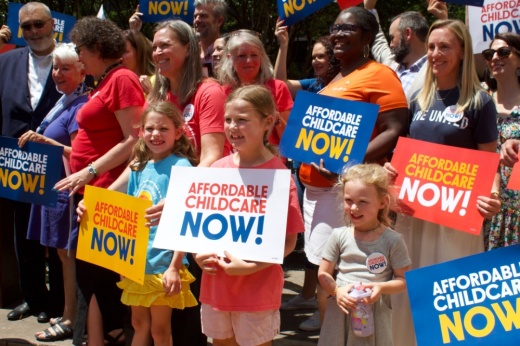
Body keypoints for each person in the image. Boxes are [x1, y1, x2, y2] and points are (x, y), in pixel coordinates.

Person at [386, 19, 502, 345]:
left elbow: (489, 162)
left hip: (457, 218)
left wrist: (492, 195)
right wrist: (392, 173)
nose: (436, 54)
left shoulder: (480, 103)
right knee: (410, 289)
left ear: (463, 51)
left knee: (450, 296)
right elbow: (405, 153)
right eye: (433, 46)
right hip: (414, 213)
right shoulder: (417, 99)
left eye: (445, 46)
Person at [297, 6, 409, 332]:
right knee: (325, 269)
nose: (338, 34)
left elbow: (395, 127)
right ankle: (334, 334)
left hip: (347, 195)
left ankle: (344, 336)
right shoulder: (337, 75)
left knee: (337, 274)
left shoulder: (380, 74)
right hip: (318, 192)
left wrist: (349, 167)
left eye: (348, 29)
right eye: (335, 28)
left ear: (367, 37)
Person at [53, 16, 145, 346]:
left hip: (108, 193)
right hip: (91, 193)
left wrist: (89, 171)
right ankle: (97, 338)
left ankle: (111, 336)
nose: (77, 57)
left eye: (79, 50)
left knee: (98, 278)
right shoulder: (103, 82)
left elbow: (134, 139)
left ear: (95, 48)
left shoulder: (122, 79)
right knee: (90, 278)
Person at [195, 84, 304, 346]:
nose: (233, 127)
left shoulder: (279, 177)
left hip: (257, 290)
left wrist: (251, 267)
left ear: (268, 122)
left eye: (242, 120)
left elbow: (288, 242)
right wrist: (197, 253)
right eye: (228, 120)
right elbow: (199, 227)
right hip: (216, 286)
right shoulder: (217, 169)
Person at [148, 19, 230, 345]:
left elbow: (212, 156)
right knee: (165, 304)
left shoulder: (209, 92)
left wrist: (179, 197)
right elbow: (144, 153)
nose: (157, 52)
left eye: (165, 45)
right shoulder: (161, 93)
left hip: (196, 209)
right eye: (154, 46)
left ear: (188, 48)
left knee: (188, 306)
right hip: (163, 209)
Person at [17, 43, 87, 342]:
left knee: (68, 254)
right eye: (55, 68)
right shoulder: (64, 101)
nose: (57, 74)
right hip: (52, 190)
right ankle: (67, 312)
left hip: (67, 192)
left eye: (65, 68)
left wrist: (46, 144)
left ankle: (71, 318)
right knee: (61, 254)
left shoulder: (81, 105)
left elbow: (80, 157)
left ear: (82, 70)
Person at [115, 101, 198, 346]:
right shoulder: (139, 166)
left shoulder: (181, 166)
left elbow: (186, 220)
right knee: (138, 324)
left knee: (160, 331)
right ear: (141, 132)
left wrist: (174, 266)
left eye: (163, 129)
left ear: (178, 132)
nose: (155, 134)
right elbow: (128, 215)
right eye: (149, 128)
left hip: (163, 263)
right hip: (136, 262)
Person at [0, 1, 63, 323]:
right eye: (27, 27)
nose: (34, 32)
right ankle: (33, 297)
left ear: (52, 24)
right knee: (24, 233)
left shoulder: (71, 59)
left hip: (61, 162)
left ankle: (61, 304)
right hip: (18, 164)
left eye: (39, 24)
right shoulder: (7, 61)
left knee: (58, 237)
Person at [317, 163, 411, 346]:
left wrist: (380, 288)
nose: (354, 208)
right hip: (341, 310)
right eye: (349, 200)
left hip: (375, 313)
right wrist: (337, 291)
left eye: (363, 202)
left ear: (383, 202)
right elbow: (323, 273)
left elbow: (403, 280)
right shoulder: (339, 235)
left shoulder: (393, 240)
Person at [218, 30, 293, 148]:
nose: (249, 61)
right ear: (230, 59)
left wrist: (275, 117)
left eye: (254, 55)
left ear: (261, 57)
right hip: (233, 162)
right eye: (242, 56)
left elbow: (291, 140)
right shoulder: (220, 93)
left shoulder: (278, 87)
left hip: (271, 161)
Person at [482, 33, 520, 250]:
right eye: (489, 54)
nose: (495, 58)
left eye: (503, 52)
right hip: (486, 210)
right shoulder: (478, 100)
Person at [365, 0, 447, 99]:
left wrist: (444, 20)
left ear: (408, 34)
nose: (390, 45)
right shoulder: (391, 63)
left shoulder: (438, 69)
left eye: (392, 38)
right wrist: (369, 9)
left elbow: (460, 59)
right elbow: (378, 39)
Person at [129, 0, 227, 76]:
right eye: (195, 16)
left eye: (203, 16)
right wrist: (135, 31)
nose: (197, 20)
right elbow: (156, 53)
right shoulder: (186, 51)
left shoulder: (229, 52)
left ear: (219, 21)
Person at [274, 19, 341, 99]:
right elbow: (280, 84)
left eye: (320, 56)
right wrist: (283, 44)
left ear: (333, 57)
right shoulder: (312, 85)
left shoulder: (349, 83)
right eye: (313, 58)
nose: (314, 62)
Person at [122, 29, 155, 94]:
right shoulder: (119, 82)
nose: (120, 57)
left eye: (125, 52)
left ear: (139, 52)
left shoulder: (156, 80)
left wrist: (150, 93)